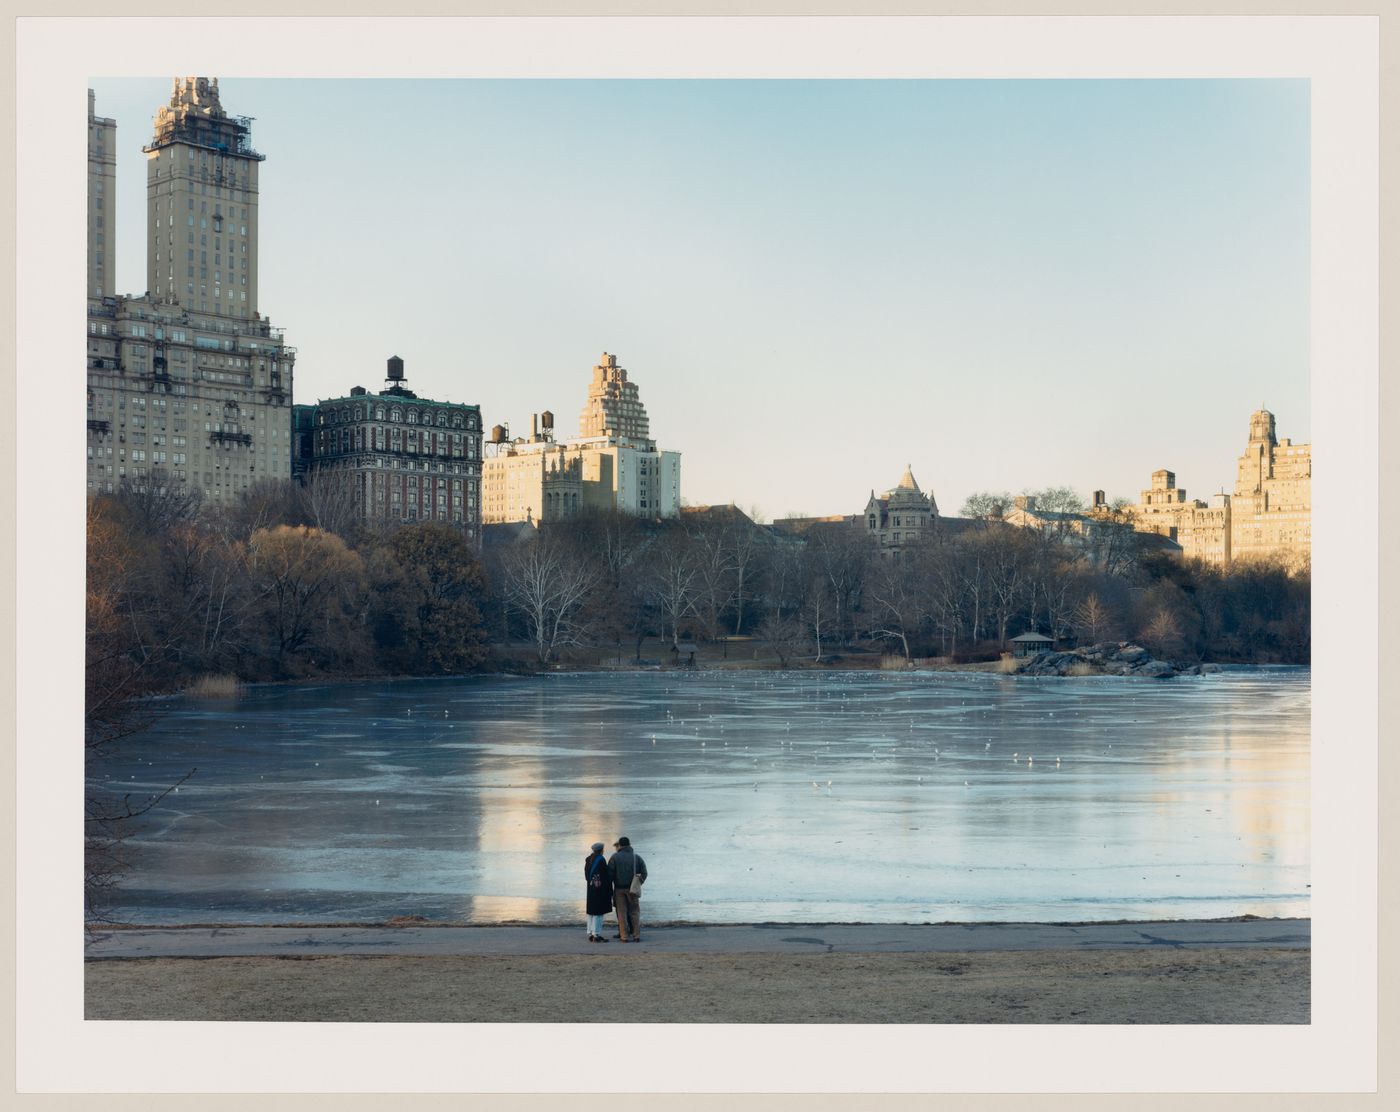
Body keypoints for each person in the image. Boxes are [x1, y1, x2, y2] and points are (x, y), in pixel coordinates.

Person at [607, 836, 647, 942]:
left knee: (621, 913)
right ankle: (636, 936)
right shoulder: (636, 857)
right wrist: (638, 883)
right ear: (629, 845)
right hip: (633, 890)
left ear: (620, 845)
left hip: (619, 890)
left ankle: (624, 937)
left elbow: (609, 876)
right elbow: (644, 873)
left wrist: (609, 890)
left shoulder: (614, 857)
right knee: (634, 913)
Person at [584, 841, 612, 942]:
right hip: (599, 890)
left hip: (590, 889)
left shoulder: (588, 860)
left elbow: (587, 877)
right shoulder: (601, 860)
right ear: (601, 850)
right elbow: (605, 876)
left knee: (591, 911)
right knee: (598, 913)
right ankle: (596, 934)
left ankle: (590, 932)